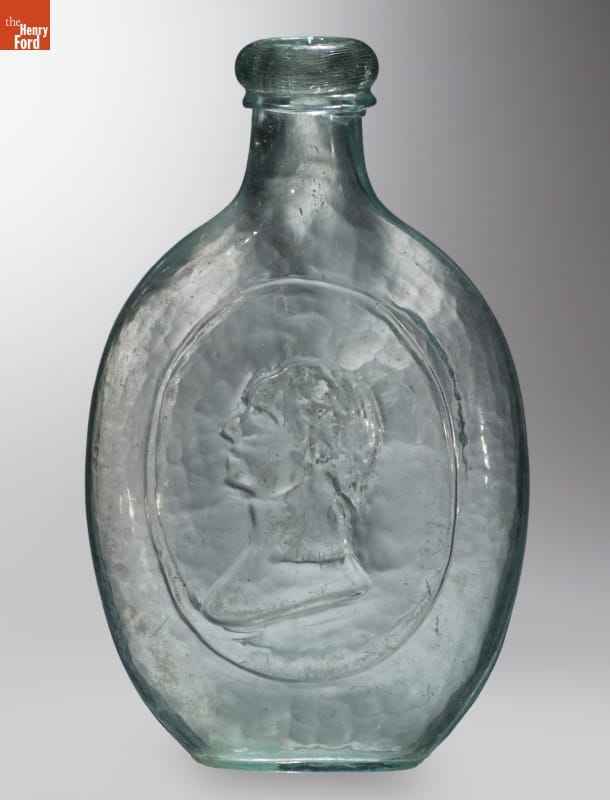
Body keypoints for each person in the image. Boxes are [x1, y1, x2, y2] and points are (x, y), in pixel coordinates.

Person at [203, 358, 382, 628]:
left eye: (259, 413)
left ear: (318, 450)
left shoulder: (329, 586)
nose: (230, 428)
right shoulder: (240, 590)